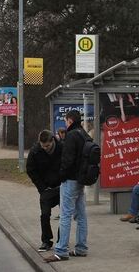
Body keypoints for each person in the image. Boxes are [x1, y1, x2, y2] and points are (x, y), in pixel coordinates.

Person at [45, 109, 89, 263]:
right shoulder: (84, 134)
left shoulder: (71, 135)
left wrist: (61, 176)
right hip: (81, 180)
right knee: (81, 215)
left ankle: (61, 251)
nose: (65, 123)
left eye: (65, 120)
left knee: (65, 215)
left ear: (70, 120)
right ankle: (81, 248)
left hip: (70, 180)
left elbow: (68, 160)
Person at [26, 130, 63, 252]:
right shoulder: (35, 151)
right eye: (43, 146)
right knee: (45, 214)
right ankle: (46, 241)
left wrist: (65, 181)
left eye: (47, 146)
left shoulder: (62, 147)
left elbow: (68, 163)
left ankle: (61, 240)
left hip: (62, 186)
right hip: (46, 188)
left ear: (53, 140)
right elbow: (31, 170)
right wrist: (41, 187)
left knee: (64, 215)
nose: (45, 148)